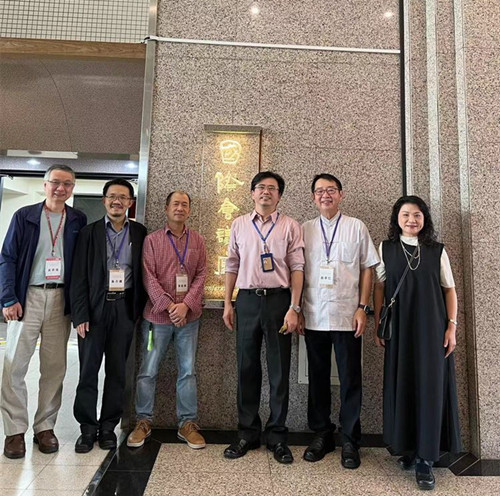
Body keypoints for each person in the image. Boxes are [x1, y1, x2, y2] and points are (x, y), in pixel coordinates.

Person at [373, 195, 461, 491]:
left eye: (417, 215)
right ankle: (409, 448)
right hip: (400, 329)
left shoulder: (437, 251)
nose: (411, 220)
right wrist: (379, 324)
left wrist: (451, 327)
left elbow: (449, 290)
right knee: (404, 384)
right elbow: (380, 287)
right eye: (406, 214)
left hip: (432, 330)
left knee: (430, 388)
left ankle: (426, 458)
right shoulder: (386, 248)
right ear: (396, 218)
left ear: (425, 219)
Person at [0, 165, 87, 459]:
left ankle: (45, 427)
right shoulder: (24, 216)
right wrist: (8, 297)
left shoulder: (77, 219)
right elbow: (8, 258)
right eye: (55, 182)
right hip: (27, 297)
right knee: (14, 365)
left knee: (54, 368)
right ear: (45, 184)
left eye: (67, 184)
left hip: (60, 298)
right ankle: (14, 431)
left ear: (73, 188)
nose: (61, 188)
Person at [222, 171, 304, 464]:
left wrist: (294, 307)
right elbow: (231, 264)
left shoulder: (290, 226)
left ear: (279, 195)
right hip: (246, 301)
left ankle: (277, 436)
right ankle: (247, 433)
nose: (266, 192)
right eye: (260, 187)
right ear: (252, 193)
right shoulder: (239, 224)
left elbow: (297, 268)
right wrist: (228, 303)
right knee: (246, 367)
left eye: (272, 188)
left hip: (279, 301)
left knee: (279, 370)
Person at [299, 173, 379, 469]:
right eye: (320, 191)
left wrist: (363, 308)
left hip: (348, 315)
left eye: (331, 190)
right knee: (318, 378)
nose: (325, 195)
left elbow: (368, 268)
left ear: (341, 195)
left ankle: (349, 439)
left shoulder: (356, 226)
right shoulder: (305, 229)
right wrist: (297, 309)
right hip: (314, 314)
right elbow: (297, 270)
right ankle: (322, 434)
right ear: (313, 197)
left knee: (350, 379)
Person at [70, 178, 147, 453]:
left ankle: (107, 427)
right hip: (94, 308)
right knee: (88, 371)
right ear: (104, 201)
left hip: (124, 308)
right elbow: (78, 276)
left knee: (117, 372)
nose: (117, 201)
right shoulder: (88, 233)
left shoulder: (139, 232)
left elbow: (144, 273)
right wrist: (80, 314)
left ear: (130, 202)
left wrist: (137, 312)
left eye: (123, 197)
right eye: (112, 196)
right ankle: (87, 428)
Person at [127, 191, 207, 450]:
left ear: (189, 210)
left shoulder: (198, 240)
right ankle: (143, 420)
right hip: (156, 319)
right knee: (148, 370)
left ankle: (187, 423)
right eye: (176, 204)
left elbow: (202, 274)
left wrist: (185, 306)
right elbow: (148, 276)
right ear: (166, 208)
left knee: (188, 370)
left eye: (185, 204)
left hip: (189, 319)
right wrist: (170, 306)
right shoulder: (152, 241)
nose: (180, 208)